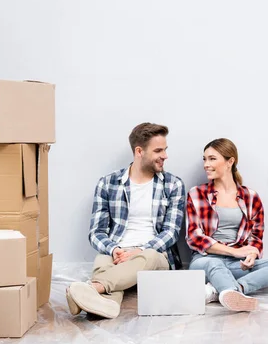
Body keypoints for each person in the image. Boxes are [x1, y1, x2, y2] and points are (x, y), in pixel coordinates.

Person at [66, 123, 185, 319]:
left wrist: (140, 250)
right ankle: (108, 306)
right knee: (102, 259)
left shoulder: (173, 184)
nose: (165, 155)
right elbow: (96, 232)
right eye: (158, 150)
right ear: (139, 151)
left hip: (154, 254)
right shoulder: (108, 183)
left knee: (151, 257)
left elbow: (171, 232)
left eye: (165, 149)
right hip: (118, 251)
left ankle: (94, 287)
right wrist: (114, 250)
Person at [186, 138, 268, 312]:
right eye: (205, 159)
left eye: (212, 159)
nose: (206, 164)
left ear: (230, 161)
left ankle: (229, 290)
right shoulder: (197, 194)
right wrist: (234, 251)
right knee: (214, 264)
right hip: (205, 260)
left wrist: (252, 254)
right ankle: (231, 290)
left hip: (237, 264)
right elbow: (194, 238)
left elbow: (256, 237)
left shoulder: (251, 197)